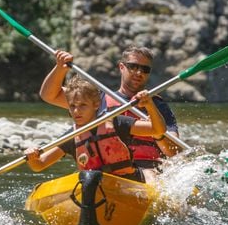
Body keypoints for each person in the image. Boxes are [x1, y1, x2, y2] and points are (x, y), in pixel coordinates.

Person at [39, 47, 181, 171]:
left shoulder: (157, 105)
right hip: (108, 168)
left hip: (148, 168)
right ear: (121, 67)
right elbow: (49, 95)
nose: (139, 73)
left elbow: (175, 152)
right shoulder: (97, 100)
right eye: (133, 66)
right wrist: (60, 68)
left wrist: (157, 133)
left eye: (145, 69)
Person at [25, 75, 167, 183]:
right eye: (72, 106)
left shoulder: (116, 122)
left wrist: (149, 105)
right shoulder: (72, 136)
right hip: (95, 184)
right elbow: (39, 165)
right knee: (89, 179)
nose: (76, 111)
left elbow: (158, 130)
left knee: (151, 177)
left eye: (82, 105)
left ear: (96, 105)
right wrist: (32, 157)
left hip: (129, 182)